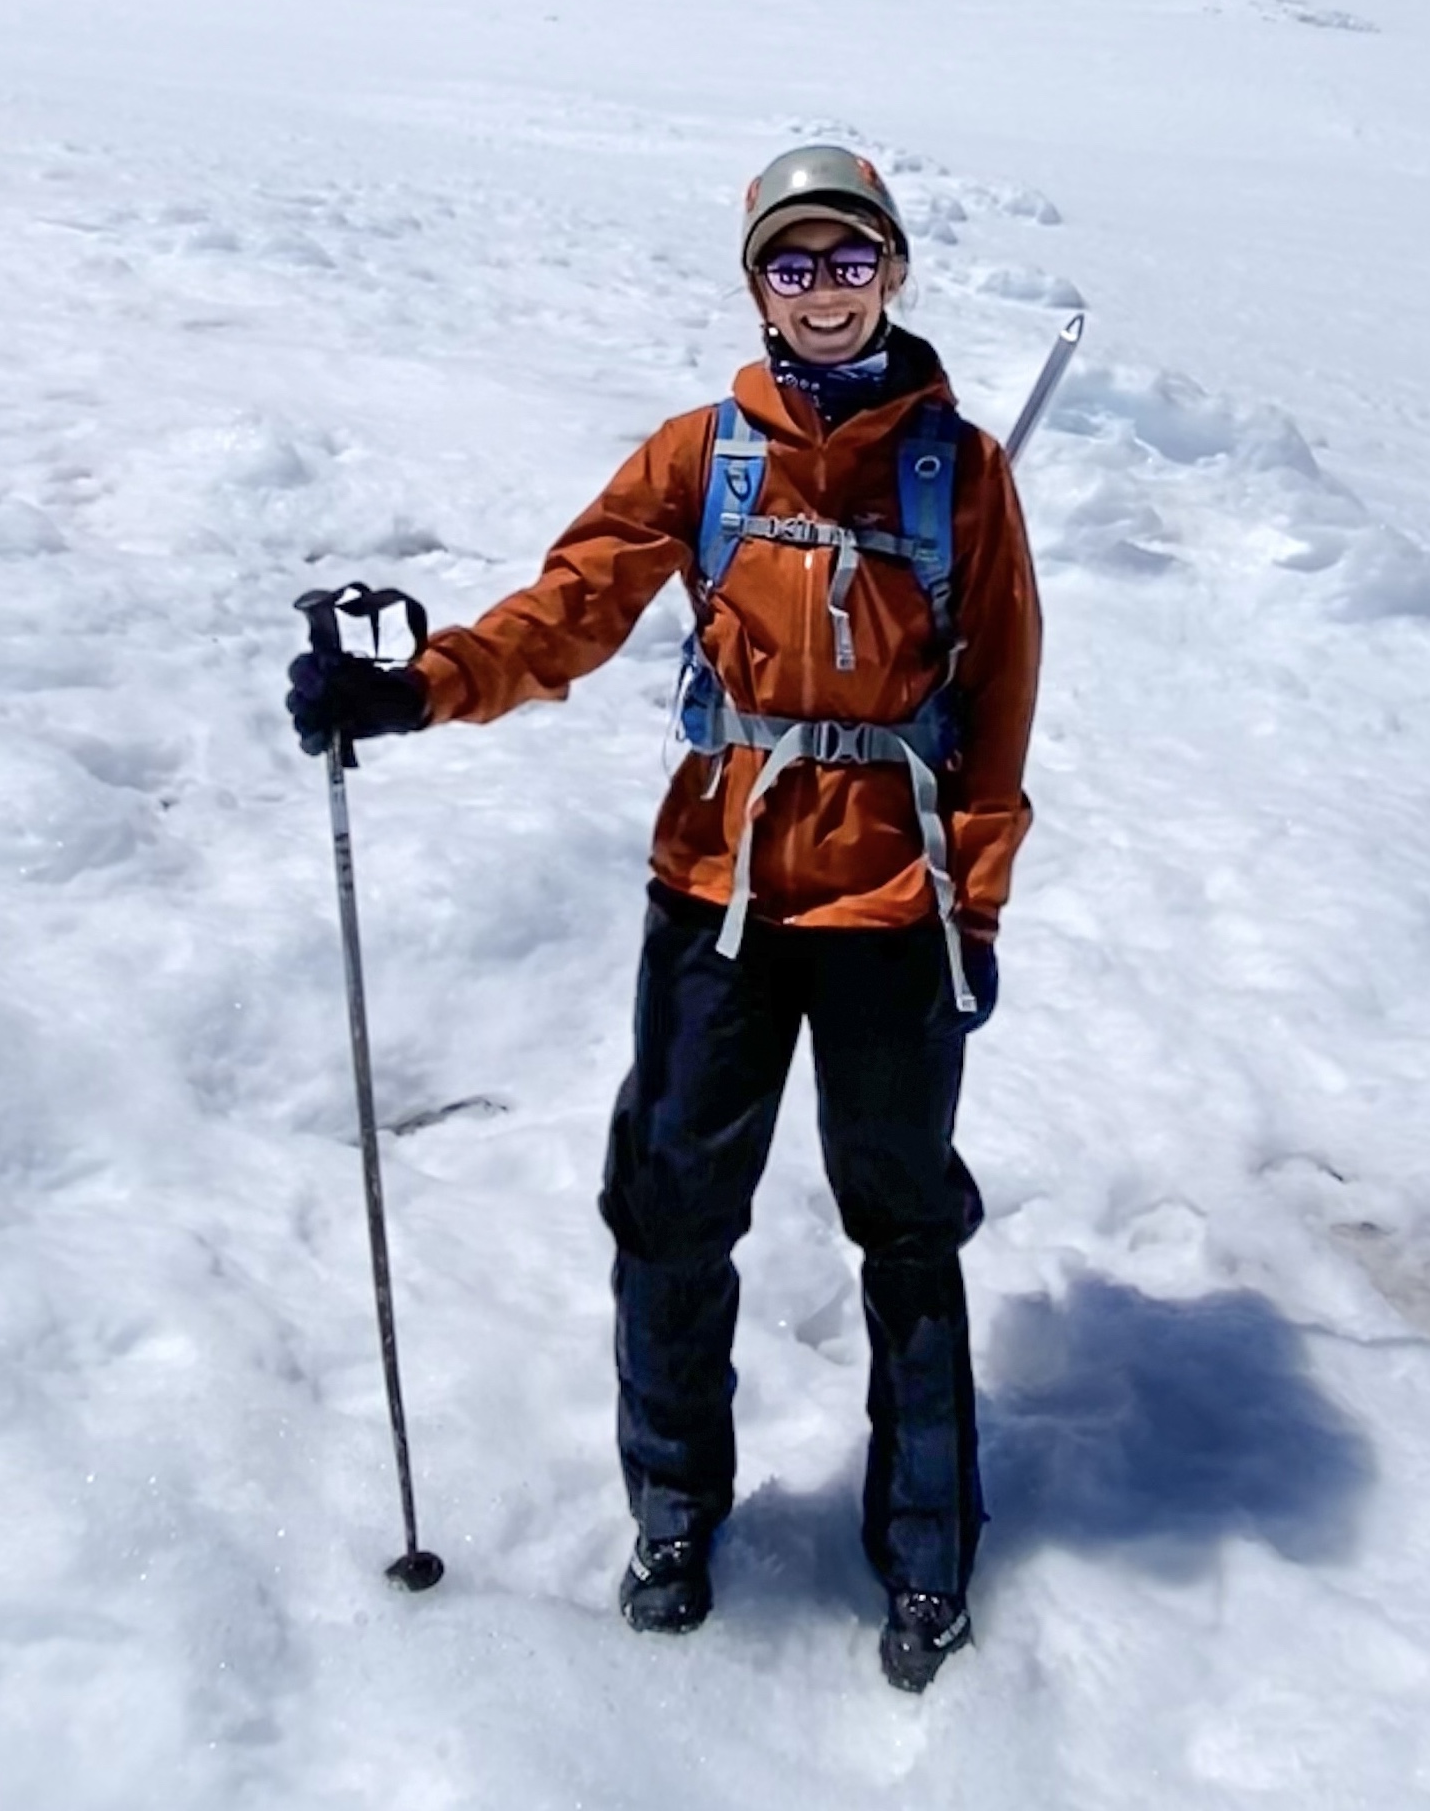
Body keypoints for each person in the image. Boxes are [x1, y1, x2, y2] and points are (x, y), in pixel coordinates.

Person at [287, 144, 1041, 1694]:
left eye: (848, 259)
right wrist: (416, 688)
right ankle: (675, 1511)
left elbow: (1002, 697)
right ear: (755, 284)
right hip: (719, 888)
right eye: (791, 262)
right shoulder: (704, 456)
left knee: (903, 1224)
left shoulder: (960, 474)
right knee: (670, 1210)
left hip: (894, 893)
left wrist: (973, 901)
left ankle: (921, 1541)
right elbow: (573, 602)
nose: (821, 288)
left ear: (891, 274)